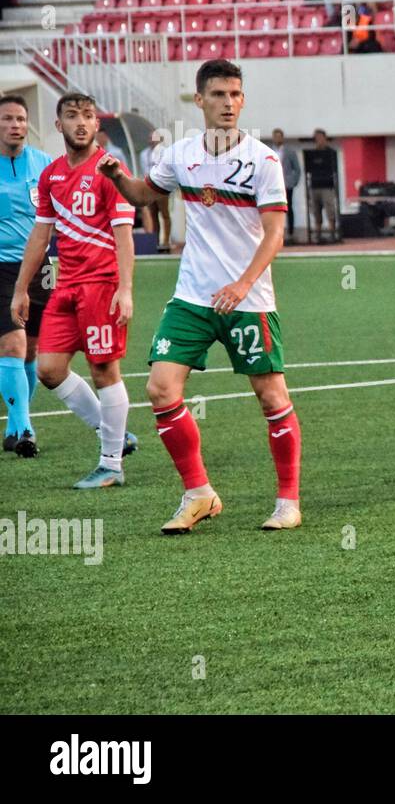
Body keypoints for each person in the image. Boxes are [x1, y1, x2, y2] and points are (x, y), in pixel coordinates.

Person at [98, 59, 302, 533]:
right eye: (218, 95)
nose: (228, 103)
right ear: (200, 100)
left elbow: (275, 235)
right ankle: (199, 494)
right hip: (192, 297)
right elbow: (144, 195)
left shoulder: (263, 160)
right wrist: (116, 177)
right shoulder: (180, 154)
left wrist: (243, 283)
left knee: (271, 397)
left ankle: (288, 501)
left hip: (248, 301)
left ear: (243, 99)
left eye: (235, 94)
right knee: (160, 388)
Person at [10, 92, 138, 486]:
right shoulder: (52, 175)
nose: (80, 123)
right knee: (49, 369)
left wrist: (125, 288)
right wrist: (21, 289)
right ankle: (113, 432)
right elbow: (41, 233)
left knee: (104, 370)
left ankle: (111, 464)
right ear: (57, 124)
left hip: (101, 286)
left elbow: (123, 235)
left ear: (97, 124)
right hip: (66, 286)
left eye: (87, 116)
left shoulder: (110, 170)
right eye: (71, 116)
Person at [0, 95, 54, 457]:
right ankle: (26, 431)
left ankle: (15, 424)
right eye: (7, 119)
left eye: (20, 119)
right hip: (2, 267)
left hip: (41, 266)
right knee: (13, 344)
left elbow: (58, 213)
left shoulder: (44, 163)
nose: (15, 125)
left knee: (33, 348)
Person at [306, 129, 339, 243]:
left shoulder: (331, 153)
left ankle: (332, 234)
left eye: (320, 137)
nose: (318, 140)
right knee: (316, 212)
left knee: (330, 211)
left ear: (325, 138)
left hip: (327, 186)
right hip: (315, 186)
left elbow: (335, 170)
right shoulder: (312, 154)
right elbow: (308, 169)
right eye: (316, 138)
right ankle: (318, 236)